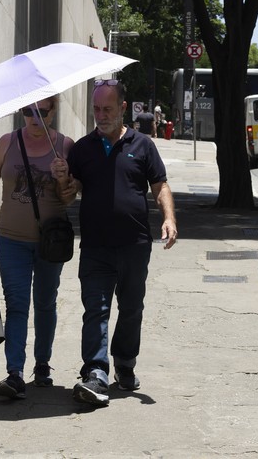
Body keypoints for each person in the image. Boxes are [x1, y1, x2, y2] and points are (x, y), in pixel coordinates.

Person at [53, 79, 178, 407]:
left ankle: (125, 362)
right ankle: (95, 373)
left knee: (131, 309)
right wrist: (62, 180)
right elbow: (68, 196)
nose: (101, 115)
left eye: (107, 109)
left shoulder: (143, 145)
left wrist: (169, 218)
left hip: (135, 244)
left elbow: (160, 184)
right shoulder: (81, 149)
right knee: (96, 309)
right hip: (95, 246)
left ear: (123, 108)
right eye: (96, 109)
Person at [0, 95, 74, 400]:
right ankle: (14, 372)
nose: (34, 118)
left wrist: (62, 177)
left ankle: (42, 364)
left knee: (45, 302)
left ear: (52, 112)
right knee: (16, 303)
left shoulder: (66, 146)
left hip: (50, 242)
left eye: (41, 112)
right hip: (11, 238)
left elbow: (70, 198)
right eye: (28, 111)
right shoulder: (7, 142)